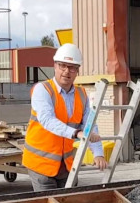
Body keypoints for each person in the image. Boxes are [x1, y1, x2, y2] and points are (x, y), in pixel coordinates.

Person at [22, 43, 108, 191]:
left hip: (66, 165)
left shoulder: (82, 95)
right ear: (55, 66)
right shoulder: (42, 90)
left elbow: (90, 124)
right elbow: (47, 120)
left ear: (77, 71)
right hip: (41, 165)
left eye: (72, 67)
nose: (66, 71)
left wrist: (98, 153)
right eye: (62, 66)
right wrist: (76, 133)